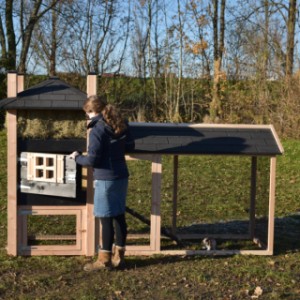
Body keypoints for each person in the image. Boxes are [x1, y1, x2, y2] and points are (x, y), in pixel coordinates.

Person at [69, 95, 135, 271]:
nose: (87, 117)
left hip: (105, 179)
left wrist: (77, 157)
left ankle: (104, 260)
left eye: (87, 114)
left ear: (92, 111)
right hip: (121, 176)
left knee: (105, 219)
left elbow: (92, 160)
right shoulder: (121, 123)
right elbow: (131, 146)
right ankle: (119, 257)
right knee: (119, 215)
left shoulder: (98, 129)